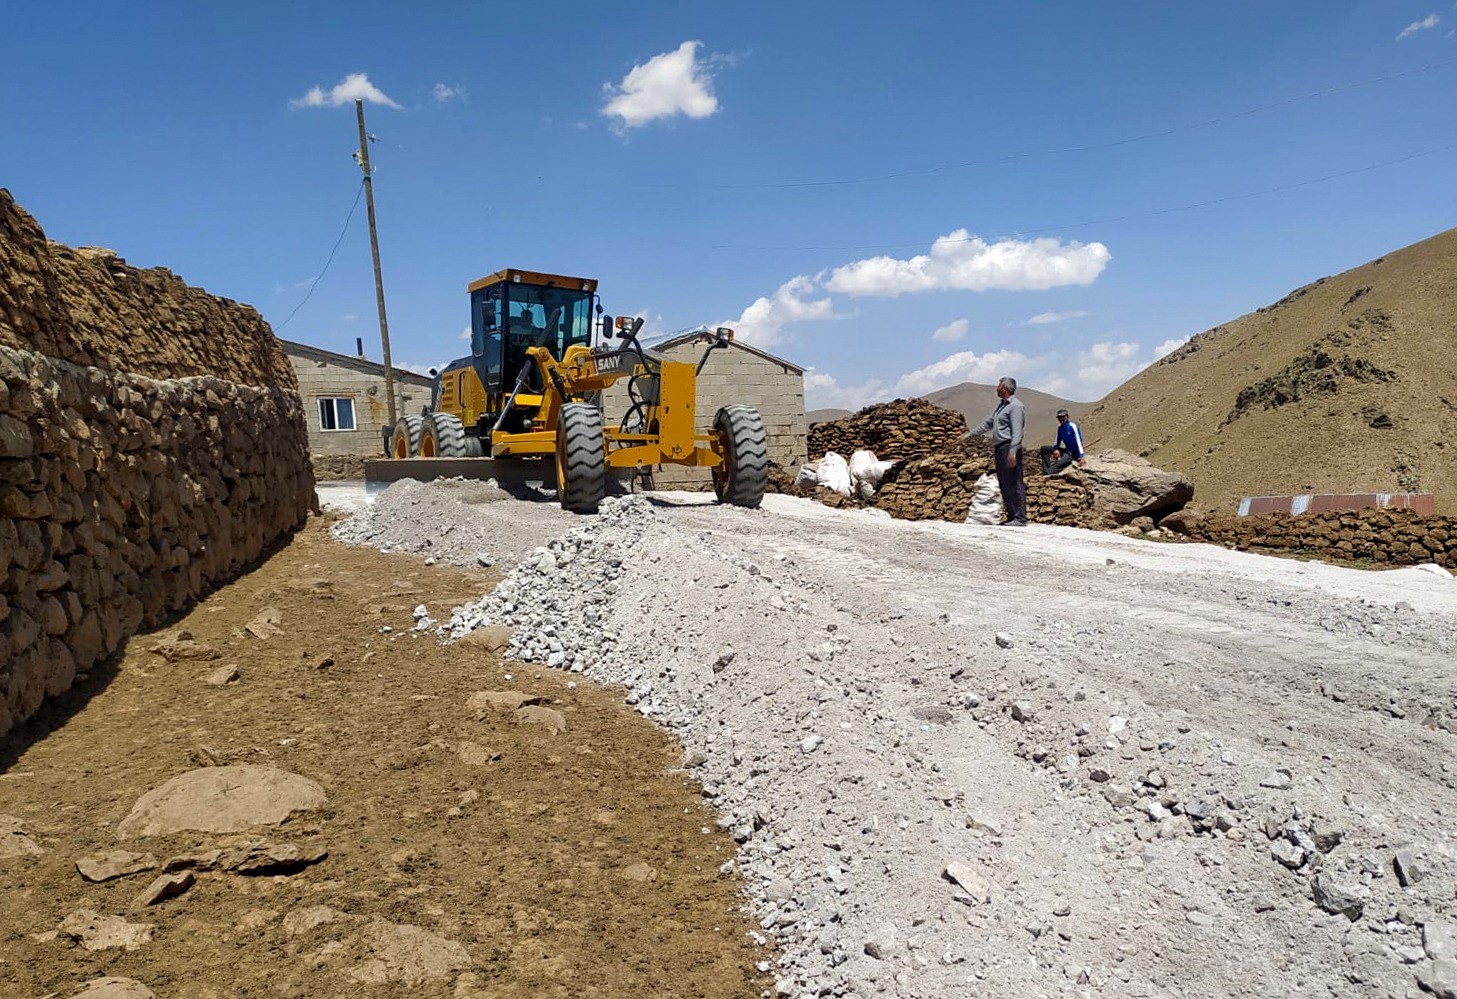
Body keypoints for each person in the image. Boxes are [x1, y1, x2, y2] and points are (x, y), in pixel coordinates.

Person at [966, 377, 1027, 526]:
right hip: (999, 448)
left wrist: (1013, 451)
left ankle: (1020, 517)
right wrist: (969, 434)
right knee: (1004, 482)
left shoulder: (1015, 406)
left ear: (1005, 388)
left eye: (998, 386)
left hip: (1009, 447)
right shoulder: (1001, 407)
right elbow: (988, 423)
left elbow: (1017, 431)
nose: (996, 388)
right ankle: (1012, 516)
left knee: (1014, 482)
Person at [1040, 409, 1087, 474]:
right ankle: (1047, 470)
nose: (1061, 419)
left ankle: (1049, 472)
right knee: (1044, 449)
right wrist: (1056, 449)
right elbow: (1057, 440)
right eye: (1059, 417)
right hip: (1067, 451)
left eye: (1063, 417)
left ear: (1067, 417)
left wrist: (1081, 456)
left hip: (1073, 454)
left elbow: (1079, 441)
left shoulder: (1072, 426)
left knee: (1056, 467)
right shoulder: (1060, 427)